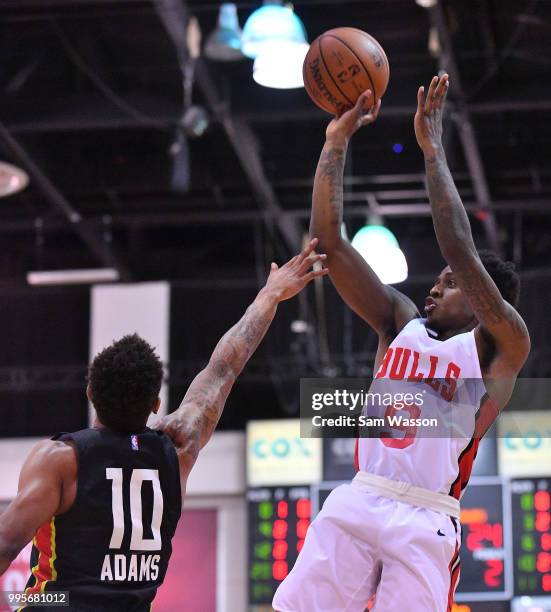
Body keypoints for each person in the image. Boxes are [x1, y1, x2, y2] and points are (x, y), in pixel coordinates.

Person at [272, 76, 530, 611]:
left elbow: (460, 249)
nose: (436, 285)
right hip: (362, 495)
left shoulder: (502, 346)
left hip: (427, 516)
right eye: (439, 280)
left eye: (452, 283)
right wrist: (335, 141)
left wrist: (434, 154)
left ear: (485, 297)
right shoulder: (400, 321)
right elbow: (330, 241)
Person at [0, 239, 328, 611]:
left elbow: (6, 544)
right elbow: (223, 369)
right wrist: (269, 296)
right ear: (156, 405)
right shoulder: (177, 450)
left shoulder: (60, 459)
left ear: (90, 392)